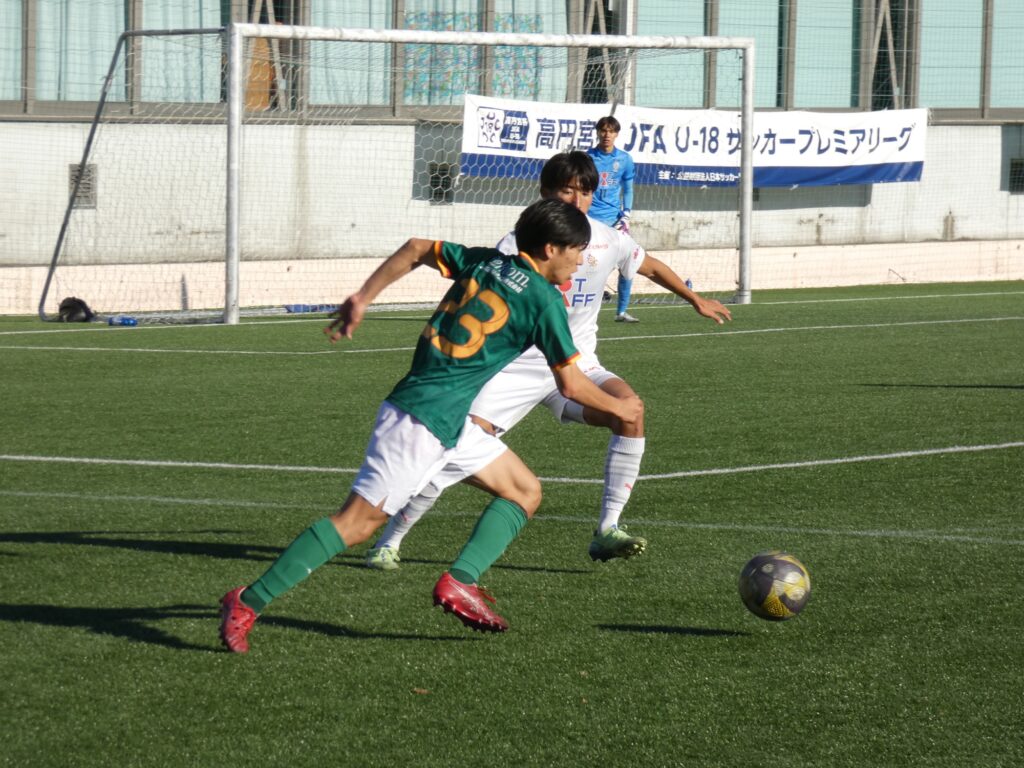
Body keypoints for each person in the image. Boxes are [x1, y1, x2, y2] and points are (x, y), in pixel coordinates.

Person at [217, 199, 642, 651]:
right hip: (419, 421)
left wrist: (363, 297)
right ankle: (248, 600)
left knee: (524, 491)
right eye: (576, 250)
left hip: (450, 418)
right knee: (356, 524)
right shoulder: (543, 300)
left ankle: (461, 582)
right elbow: (571, 384)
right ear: (550, 248)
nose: (580, 260)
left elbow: (417, 247)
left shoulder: (486, 262)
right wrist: (622, 409)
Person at [365, 150, 731, 572]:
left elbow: (648, 266)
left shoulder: (609, 239)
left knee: (630, 411)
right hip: (513, 368)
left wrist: (695, 299)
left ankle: (608, 528)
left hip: (578, 366)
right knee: (451, 449)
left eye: (585, 191)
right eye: (567, 190)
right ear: (545, 193)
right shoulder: (518, 245)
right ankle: (390, 541)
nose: (577, 200)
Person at [587, 115, 638, 323]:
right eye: (603, 130)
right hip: (590, 220)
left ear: (617, 134)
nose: (607, 135)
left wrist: (627, 214)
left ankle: (621, 311)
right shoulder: (587, 158)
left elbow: (628, 189)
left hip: (615, 221)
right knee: (590, 265)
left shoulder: (624, 159)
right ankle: (584, 307)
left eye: (611, 131)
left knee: (629, 260)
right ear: (598, 132)